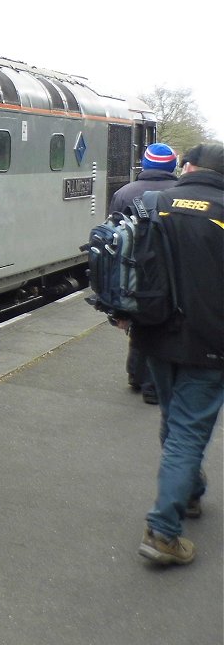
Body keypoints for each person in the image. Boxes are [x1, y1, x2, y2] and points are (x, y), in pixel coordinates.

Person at [130, 141, 224, 566]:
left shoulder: (155, 202)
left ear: (187, 167)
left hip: (154, 333)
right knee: (187, 431)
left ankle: (189, 493)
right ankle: (163, 532)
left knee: (175, 419)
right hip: (209, 342)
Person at [109, 142, 181, 403]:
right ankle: (152, 385)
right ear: (173, 167)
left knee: (139, 322)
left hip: (133, 274)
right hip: (172, 274)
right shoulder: (182, 193)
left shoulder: (125, 193)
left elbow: (113, 240)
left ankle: (136, 375)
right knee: (163, 326)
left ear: (145, 164)